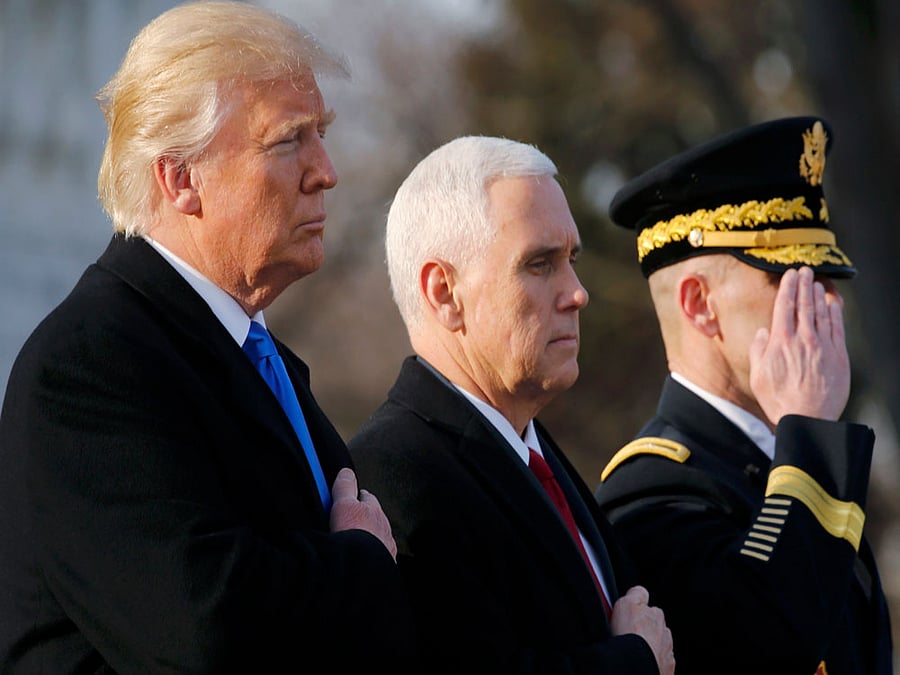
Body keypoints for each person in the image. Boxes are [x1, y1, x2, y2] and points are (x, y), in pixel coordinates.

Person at [0, 2, 415, 672]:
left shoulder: (264, 362)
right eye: (288, 141)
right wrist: (361, 560)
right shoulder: (87, 366)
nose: (326, 170)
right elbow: (208, 627)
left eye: (322, 134)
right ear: (180, 177)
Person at [348, 135, 675, 674]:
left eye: (571, 259)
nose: (577, 293)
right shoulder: (395, 474)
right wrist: (632, 662)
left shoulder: (531, 448)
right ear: (444, 293)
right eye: (540, 264)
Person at [594, 116, 893, 674]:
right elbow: (769, 644)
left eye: (828, 282)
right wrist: (809, 429)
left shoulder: (785, 461)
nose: (829, 305)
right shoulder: (652, 496)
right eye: (793, 281)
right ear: (700, 305)